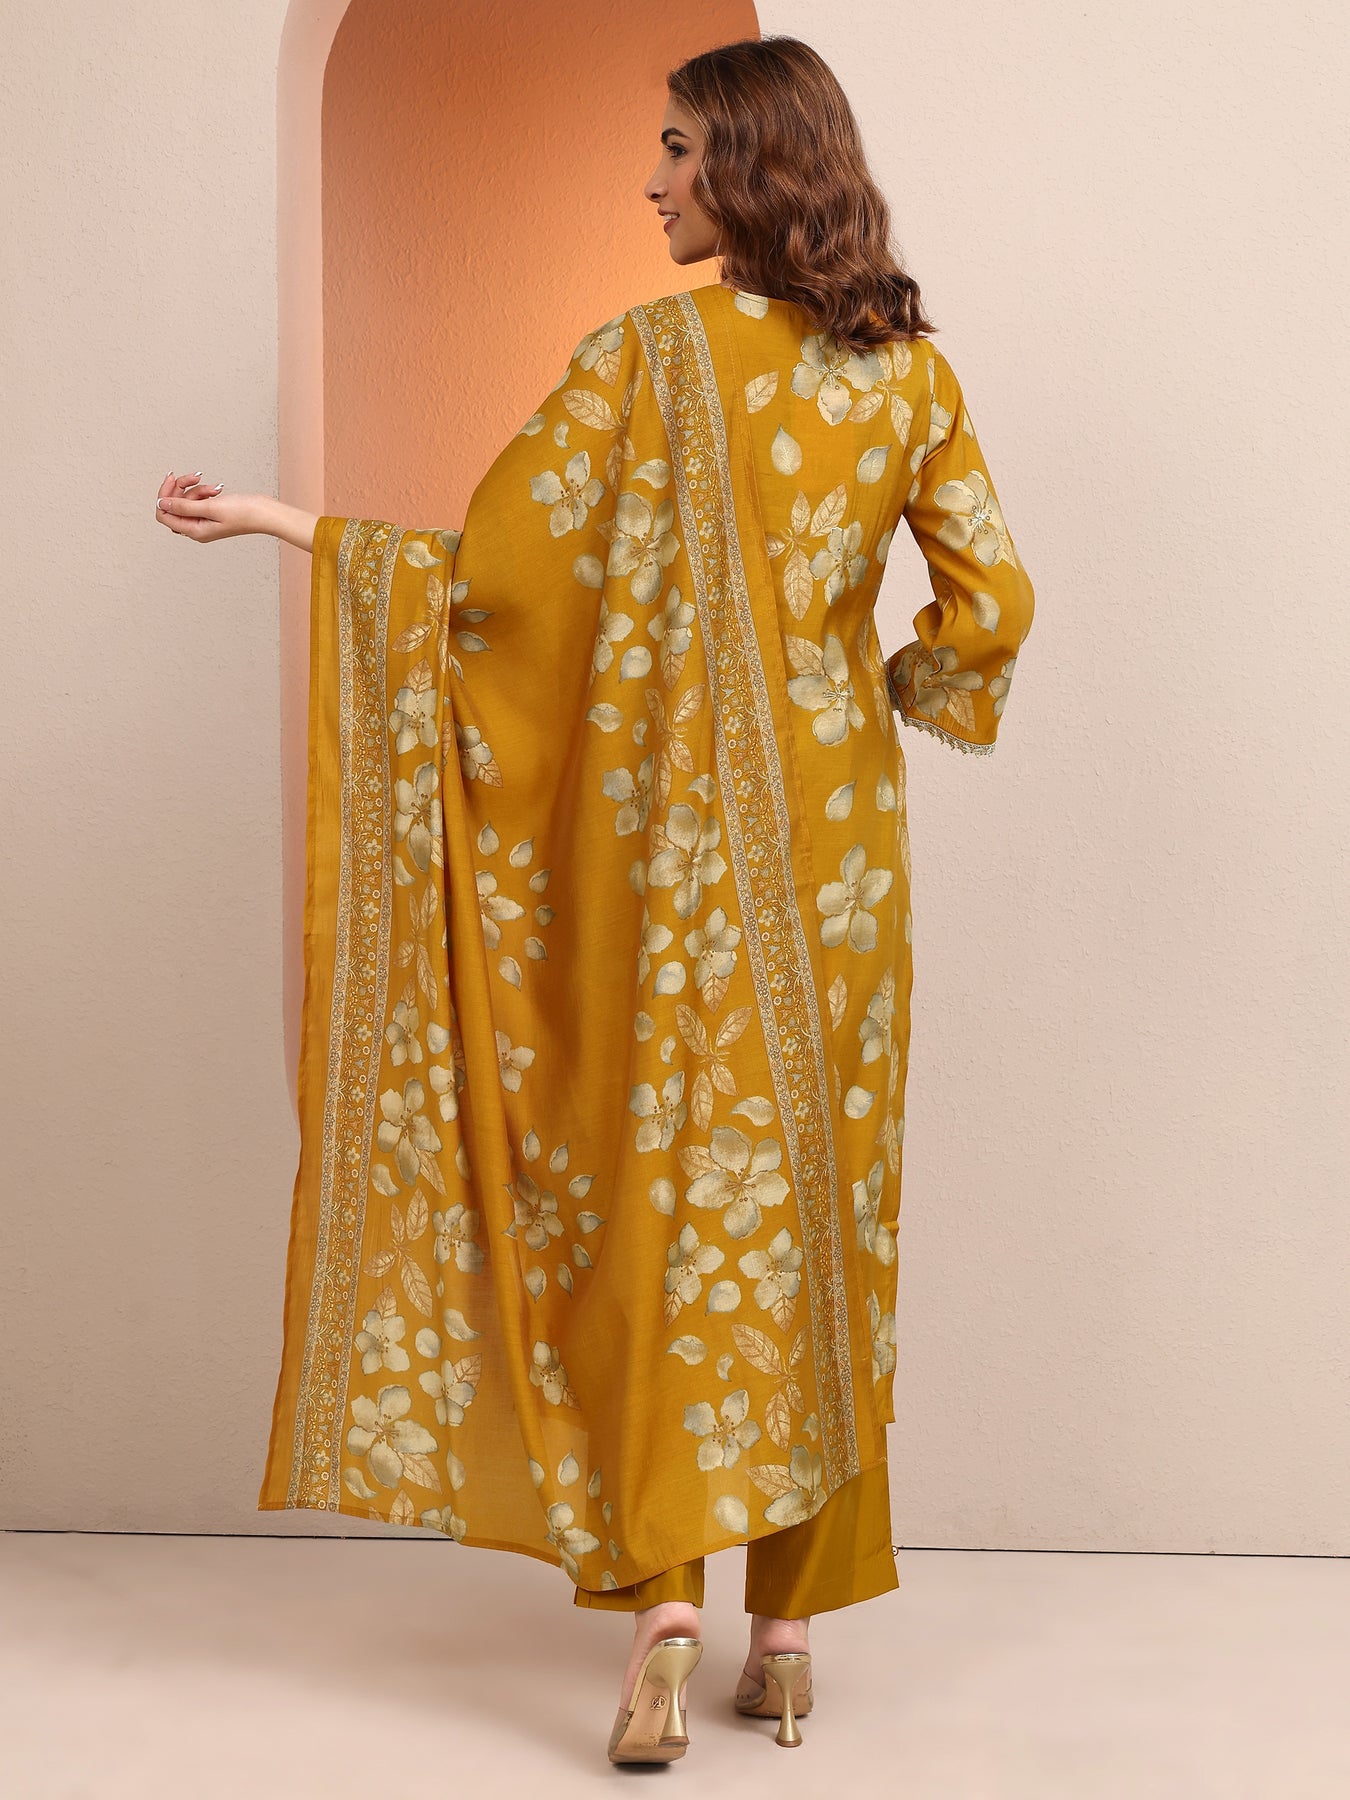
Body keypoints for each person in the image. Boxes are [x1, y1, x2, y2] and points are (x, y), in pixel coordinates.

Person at [155, 33, 1034, 1766]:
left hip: (667, 874)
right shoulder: (909, 380)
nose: (651, 180)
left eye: (678, 148)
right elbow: (990, 599)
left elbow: (492, 586)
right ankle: (788, 1641)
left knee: (661, 1216)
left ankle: (664, 1612)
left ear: (752, 165)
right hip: (839, 874)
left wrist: (283, 524)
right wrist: (891, 692)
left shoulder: (645, 359)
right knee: (815, 1226)